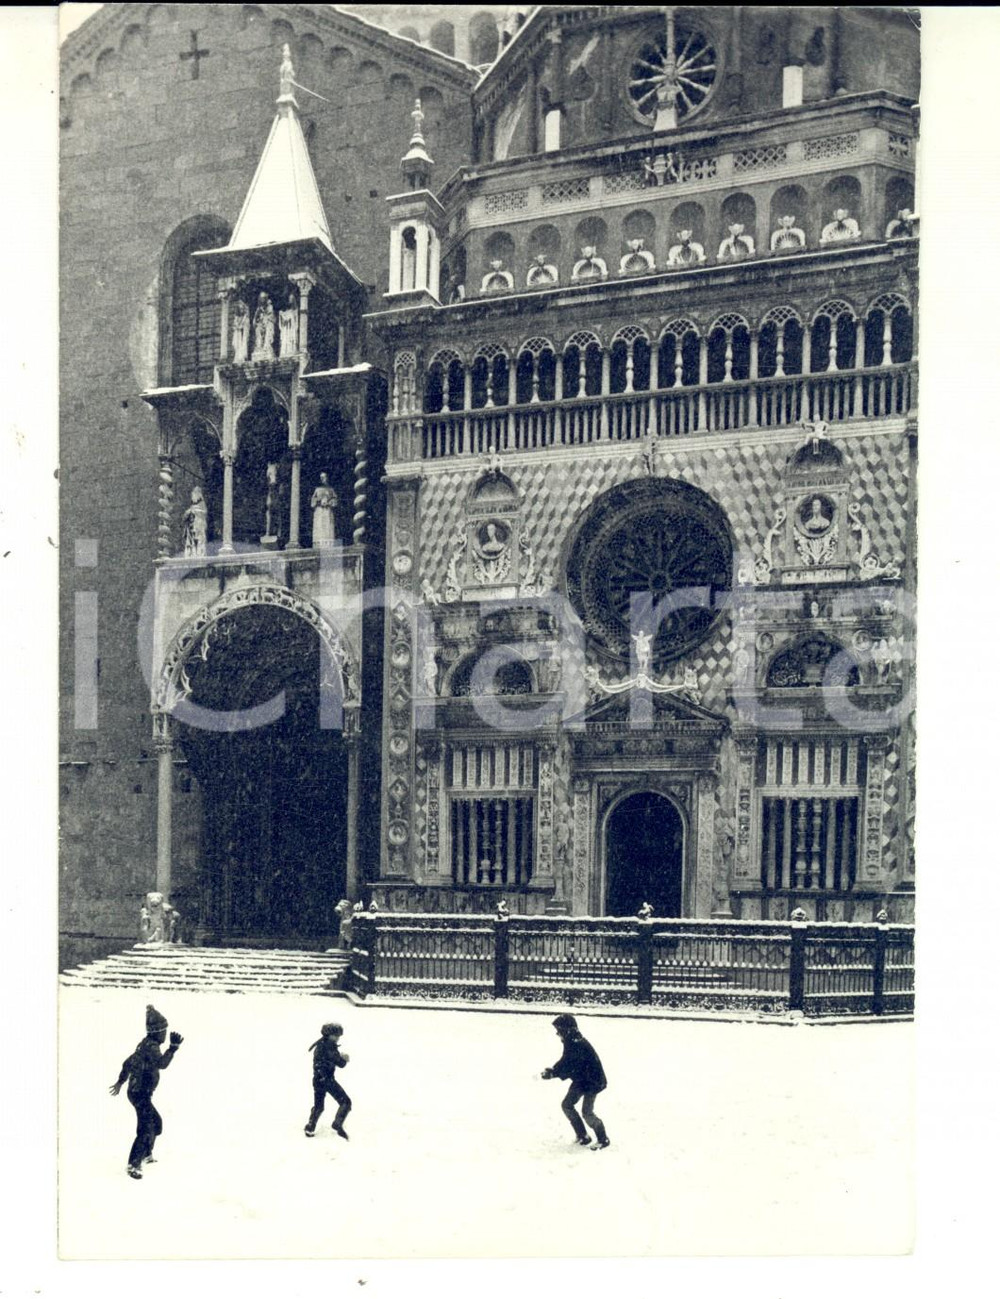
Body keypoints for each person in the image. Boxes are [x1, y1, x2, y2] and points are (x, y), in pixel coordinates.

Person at [109, 1004, 183, 1179]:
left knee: (156, 1124)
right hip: (139, 1093)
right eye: (163, 1031)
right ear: (156, 1032)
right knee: (145, 1128)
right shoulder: (151, 1047)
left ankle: (146, 1154)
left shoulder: (145, 1044)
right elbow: (162, 1064)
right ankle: (134, 1164)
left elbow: (128, 1063)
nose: (165, 1034)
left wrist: (121, 1081)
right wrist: (172, 1048)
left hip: (138, 1093)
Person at [541, 1013, 610, 1150]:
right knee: (567, 1105)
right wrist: (554, 1070)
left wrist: (554, 1074)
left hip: (592, 1082)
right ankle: (583, 1135)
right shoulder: (571, 1041)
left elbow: (572, 1066)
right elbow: (566, 1060)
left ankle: (603, 1139)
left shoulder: (578, 1044)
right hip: (581, 1079)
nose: (557, 1034)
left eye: (559, 1030)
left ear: (567, 1030)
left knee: (587, 1112)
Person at [305, 1022, 352, 1140]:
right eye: (335, 1035)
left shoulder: (321, 1045)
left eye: (339, 1036)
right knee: (346, 1102)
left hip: (318, 1079)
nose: (337, 1038)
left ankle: (310, 1126)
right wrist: (344, 1059)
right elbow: (340, 1063)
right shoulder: (328, 1046)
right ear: (328, 1035)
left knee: (319, 1106)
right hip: (327, 1080)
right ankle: (337, 1124)